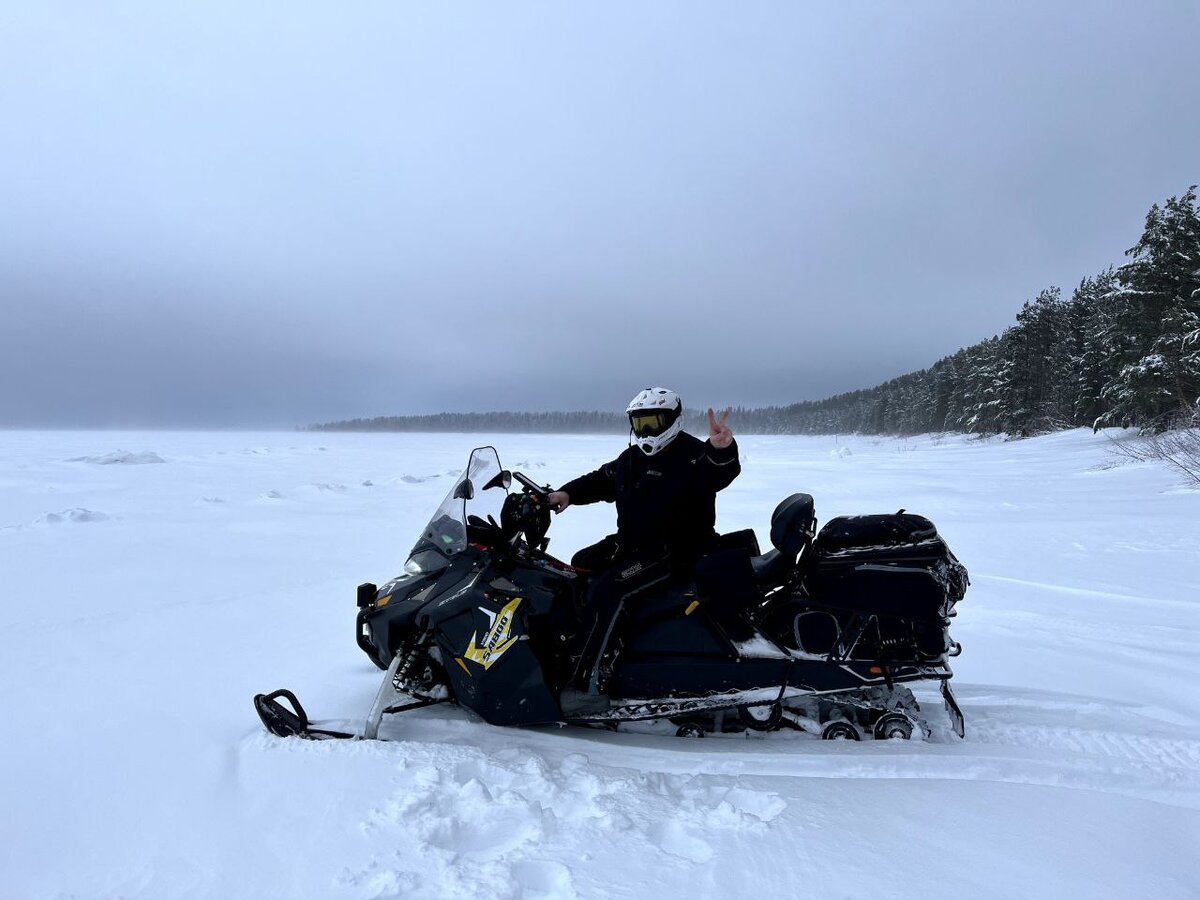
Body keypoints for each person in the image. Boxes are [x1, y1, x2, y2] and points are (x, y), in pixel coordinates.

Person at [546, 387, 740, 714]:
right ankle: (586, 643)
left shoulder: (693, 455)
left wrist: (723, 450)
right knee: (579, 566)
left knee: (611, 591)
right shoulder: (632, 458)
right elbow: (601, 480)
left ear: (673, 421)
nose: (646, 431)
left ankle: (591, 684)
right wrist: (565, 493)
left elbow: (719, 473)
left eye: (653, 422)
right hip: (634, 544)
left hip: (676, 552)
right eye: (640, 423)